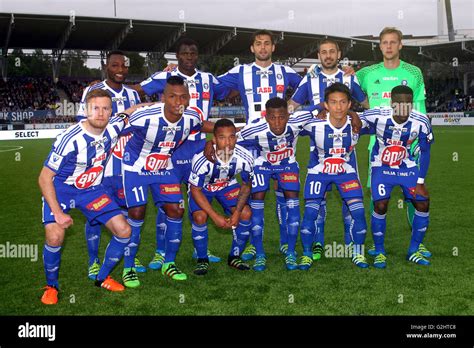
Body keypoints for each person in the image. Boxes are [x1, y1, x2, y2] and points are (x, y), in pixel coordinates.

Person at [131, 38, 226, 267]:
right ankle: (161, 253)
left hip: (201, 149)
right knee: (168, 204)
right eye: (185, 53)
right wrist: (101, 87)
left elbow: (231, 89)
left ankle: (199, 249)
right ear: (177, 55)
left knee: (197, 200)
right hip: (170, 149)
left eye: (193, 53)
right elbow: (136, 91)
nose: (189, 57)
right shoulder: (165, 77)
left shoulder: (208, 79)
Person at [38, 89, 133, 305]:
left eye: (105, 108)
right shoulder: (69, 139)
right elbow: (44, 178)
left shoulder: (113, 127)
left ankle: (102, 278)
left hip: (91, 190)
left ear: (111, 111)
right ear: (86, 110)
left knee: (124, 230)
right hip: (61, 190)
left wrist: (152, 105)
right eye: (95, 108)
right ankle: (51, 286)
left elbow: (129, 112)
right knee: (54, 237)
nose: (100, 113)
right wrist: (58, 213)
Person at [218, 29, 302, 260]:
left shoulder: (285, 71)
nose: (263, 47)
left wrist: (292, 110)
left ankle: (286, 242)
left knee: (284, 191)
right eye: (258, 44)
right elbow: (211, 86)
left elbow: (311, 88)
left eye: (267, 43)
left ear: (273, 47)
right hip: (252, 141)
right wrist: (175, 74)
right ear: (252, 48)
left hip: (280, 138)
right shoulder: (241, 71)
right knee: (256, 194)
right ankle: (255, 244)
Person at [122, 76, 215, 283]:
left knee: (177, 209)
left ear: (189, 99)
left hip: (164, 167)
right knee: (137, 213)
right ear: (163, 98)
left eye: (183, 97)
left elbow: (201, 125)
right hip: (136, 167)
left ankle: (169, 263)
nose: (178, 102)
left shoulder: (191, 116)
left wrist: (222, 133)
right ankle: (128, 267)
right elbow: (116, 128)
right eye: (172, 97)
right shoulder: (145, 117)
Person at [288, 38, 369, 261]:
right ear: (319, 55)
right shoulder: (310, 79)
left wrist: (353, 114)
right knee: (317, 205)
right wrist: (316, 110)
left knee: (350, 204)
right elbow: (290, 107)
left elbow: (365, 104)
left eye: (332, 51)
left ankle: (352, 247)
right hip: (318, 153)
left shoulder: (348, 77)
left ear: (339, 53)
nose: (328, 55)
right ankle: (316, 245)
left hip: (346, 156)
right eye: (323, 52)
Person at [355, 27, 431, 258]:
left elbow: (420, 107)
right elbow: (348, 89)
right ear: (379, 46)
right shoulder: (366, 73)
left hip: (409, 145)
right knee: (378, 194)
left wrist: (421, 137)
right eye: (384, 42)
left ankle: (416, 243)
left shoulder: (414, 72)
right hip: (377, 145)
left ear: (400, 45)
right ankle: (375, 243)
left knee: (414, 193)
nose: (388, 46)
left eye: (393, 42)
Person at [76, 51, 145, 282]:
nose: (119, 69)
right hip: (100, 169)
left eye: (123, 65)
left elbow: (137, 127)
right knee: (95, 218)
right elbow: (83, 126)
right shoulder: (92, 92)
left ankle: (128, 256)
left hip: (127, 169)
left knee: (127, 216)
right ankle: (93, 261)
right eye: (114, 65)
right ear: (106, 67)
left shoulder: (133, 96)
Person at [236, 97, 313, 271]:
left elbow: (320, 108)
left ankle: (291, 252)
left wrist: (352, 115)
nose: (277, 122)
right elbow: (232, 140)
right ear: (266, 116)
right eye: (272, 117)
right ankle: (260, 253)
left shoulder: (297, 121)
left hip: (287, 166)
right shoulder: (255, 129)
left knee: (293, 212)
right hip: (262, 166)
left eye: (281, 117)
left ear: (288, 115)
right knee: (257, 208)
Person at [360, 85, 433, 268]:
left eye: (408, 104)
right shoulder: (376, 114)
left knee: (422, 201)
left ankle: (413, 250)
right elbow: (352, 119)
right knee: (380, 204)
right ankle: (379, 251)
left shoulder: (421, 121)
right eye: (399, 103)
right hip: (381, 166)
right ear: (392, 103)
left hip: (406, 167)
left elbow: (425, 151)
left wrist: (420, 181)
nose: (403, 108)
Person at [299, 83, 369, 270]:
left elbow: (385, 118)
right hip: (318, 172)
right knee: (311, 213)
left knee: (358, 212)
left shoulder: (359, 123)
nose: (338, 107)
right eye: (333, 102)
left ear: (349, 105)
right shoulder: (314, 124)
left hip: (345, 171)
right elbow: (292, 118)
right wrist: (318, 108)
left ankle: (357, 252)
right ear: (327, 105)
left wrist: (354, 115)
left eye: (343, 102)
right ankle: (307, 253)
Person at [188, 119, 254, 275]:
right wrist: (215, 216)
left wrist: (237, 212)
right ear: (215, 139)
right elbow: (195, 189)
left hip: (226, 185)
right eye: (222, 137)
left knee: (246, 213)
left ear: (236, 138)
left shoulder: (245, 157)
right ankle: (202, 259)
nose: (228, 142)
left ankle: (234, 256)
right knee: (200, 217)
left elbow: (246, 185)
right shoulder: (201, 160)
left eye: (231, 137)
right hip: (203, 188)